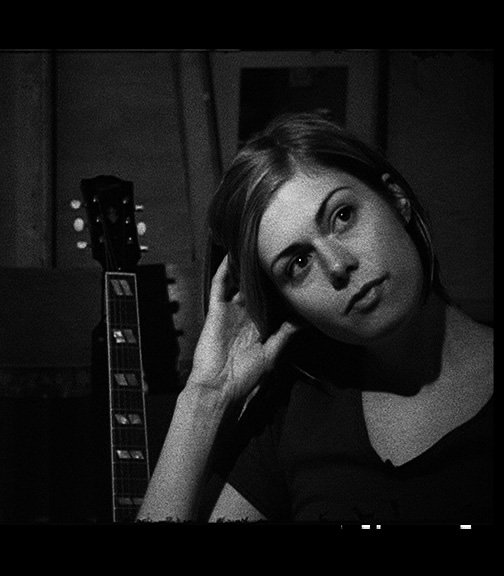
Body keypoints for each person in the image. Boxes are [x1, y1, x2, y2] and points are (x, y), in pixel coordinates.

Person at [136, 111, 493, 524]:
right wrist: (206, 395)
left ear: (396, 198)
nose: (338, 265)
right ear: (288, 304)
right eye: (299, 263)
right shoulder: (291, 415)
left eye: (343, 216)